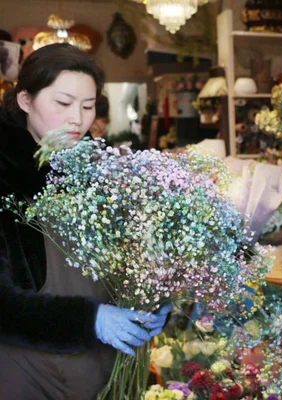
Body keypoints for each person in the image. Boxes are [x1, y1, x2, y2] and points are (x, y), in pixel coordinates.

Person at [0, 43, 172, 399]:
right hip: (23, 372)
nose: (77, 119)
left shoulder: (102, 169)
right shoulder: (5, 173)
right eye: (62, 104)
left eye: (88, 106)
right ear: (25, 101)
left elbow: (132, 259)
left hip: (101, 370)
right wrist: (89, 320)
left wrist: (154, 300)